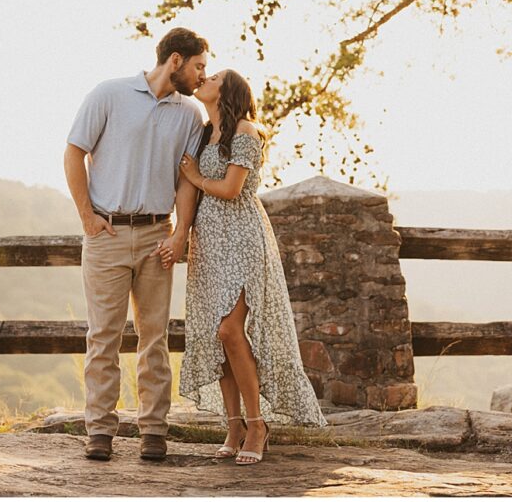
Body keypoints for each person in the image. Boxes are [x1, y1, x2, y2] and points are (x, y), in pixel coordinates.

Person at [158, 69, 328, 466]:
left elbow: (232, 188)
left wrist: (197, 177)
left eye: (212, 76)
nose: (204, 78)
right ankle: (233, 425)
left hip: (242, 238)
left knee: (230, 330)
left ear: (228, 90)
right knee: (217, 338)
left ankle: (257, 424)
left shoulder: (247, 131)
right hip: (209, 243)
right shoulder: (203, 133)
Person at [63, 27, 208, 461]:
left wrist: (181, 233)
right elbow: (74, 153)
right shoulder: (109, 94)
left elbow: (186, 180)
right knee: (103, 337)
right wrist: (87, 216)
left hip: (155, 236)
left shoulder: (189, 116)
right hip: (106, 234)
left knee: (154, 338)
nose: (203, 75)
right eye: (199, 66)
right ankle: (101, 432)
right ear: (176, 61)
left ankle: (153, 431)